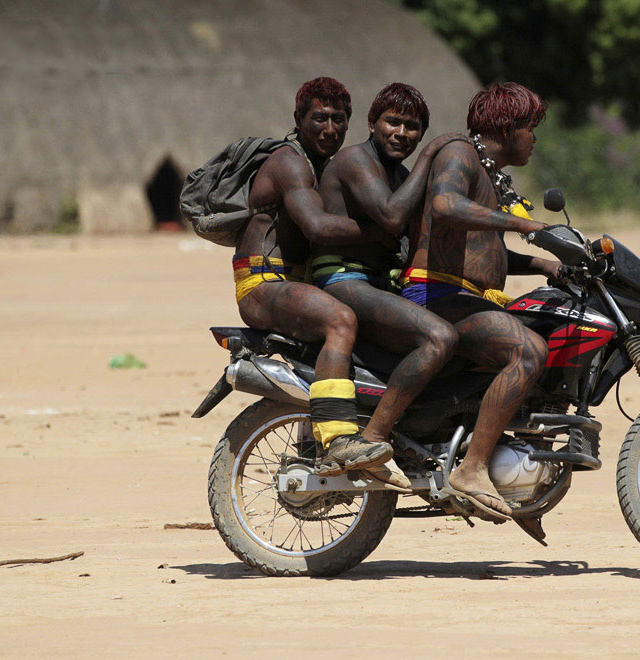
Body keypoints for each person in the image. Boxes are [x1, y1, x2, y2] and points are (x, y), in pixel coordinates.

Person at [400, 82, 560, 519]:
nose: (534, 138)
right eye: (531, 127)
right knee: (529, 352)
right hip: (436, 292)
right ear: (508, 127)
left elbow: (482, 252)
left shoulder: (488, 172)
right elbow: (446, 204)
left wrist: (546, 266)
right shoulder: (460, 153)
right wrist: (521, 224)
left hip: (463, 293)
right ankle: (471, 470)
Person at [235, 76, 391, 476]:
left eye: (339, 119)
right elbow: (318, 228)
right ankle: (338, 438)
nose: (330, 129)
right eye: (320, 118)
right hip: (263, 285)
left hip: (298, 285)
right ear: (298, 118)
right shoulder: (290, 162)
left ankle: (311, 442)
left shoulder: (325, 166)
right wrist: (387, 230)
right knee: (340, 320)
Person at [313, 83, 464, 488]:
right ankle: (372, 438)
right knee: (439, 337)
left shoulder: (397, 172)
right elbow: (392, 217)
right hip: (342, 278)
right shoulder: (355, 160)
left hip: (379, 282)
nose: (402, 133)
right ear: (372, 123)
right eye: (392, 122)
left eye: (413, 127)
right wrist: (431, 154)